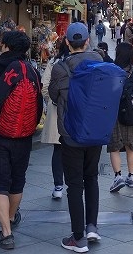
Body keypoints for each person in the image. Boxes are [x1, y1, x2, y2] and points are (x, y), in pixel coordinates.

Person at [0, 30, 42, 250]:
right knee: (17, 180)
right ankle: (12, 217)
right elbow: (39, 104)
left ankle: (6, 233)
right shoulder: (33, 71)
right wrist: (29, 127)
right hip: (23, 136)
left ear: (6, 45)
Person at [49, 22, 105, 252]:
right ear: (88, 42)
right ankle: (92, 226)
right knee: (91, 178)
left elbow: (53, 95)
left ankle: (78, 237)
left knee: (74, 184)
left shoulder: (60, 67)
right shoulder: (100, 62)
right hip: (95, 130)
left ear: (67, 43)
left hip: (71, 132)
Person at [108, 42, 133, 194]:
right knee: (131, 144)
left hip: (115, 114)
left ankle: (118, 176)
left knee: (114, 145)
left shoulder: (112, 71)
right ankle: (132, 175)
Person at [41, 40, 67, 201]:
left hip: (58, 111)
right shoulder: (83, 61)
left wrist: (52, 102)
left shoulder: (54, 62)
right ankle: (75, 183)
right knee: (75, 149)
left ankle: (58, 186)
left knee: (58, 150)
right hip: (76, 113)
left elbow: (44, 86)